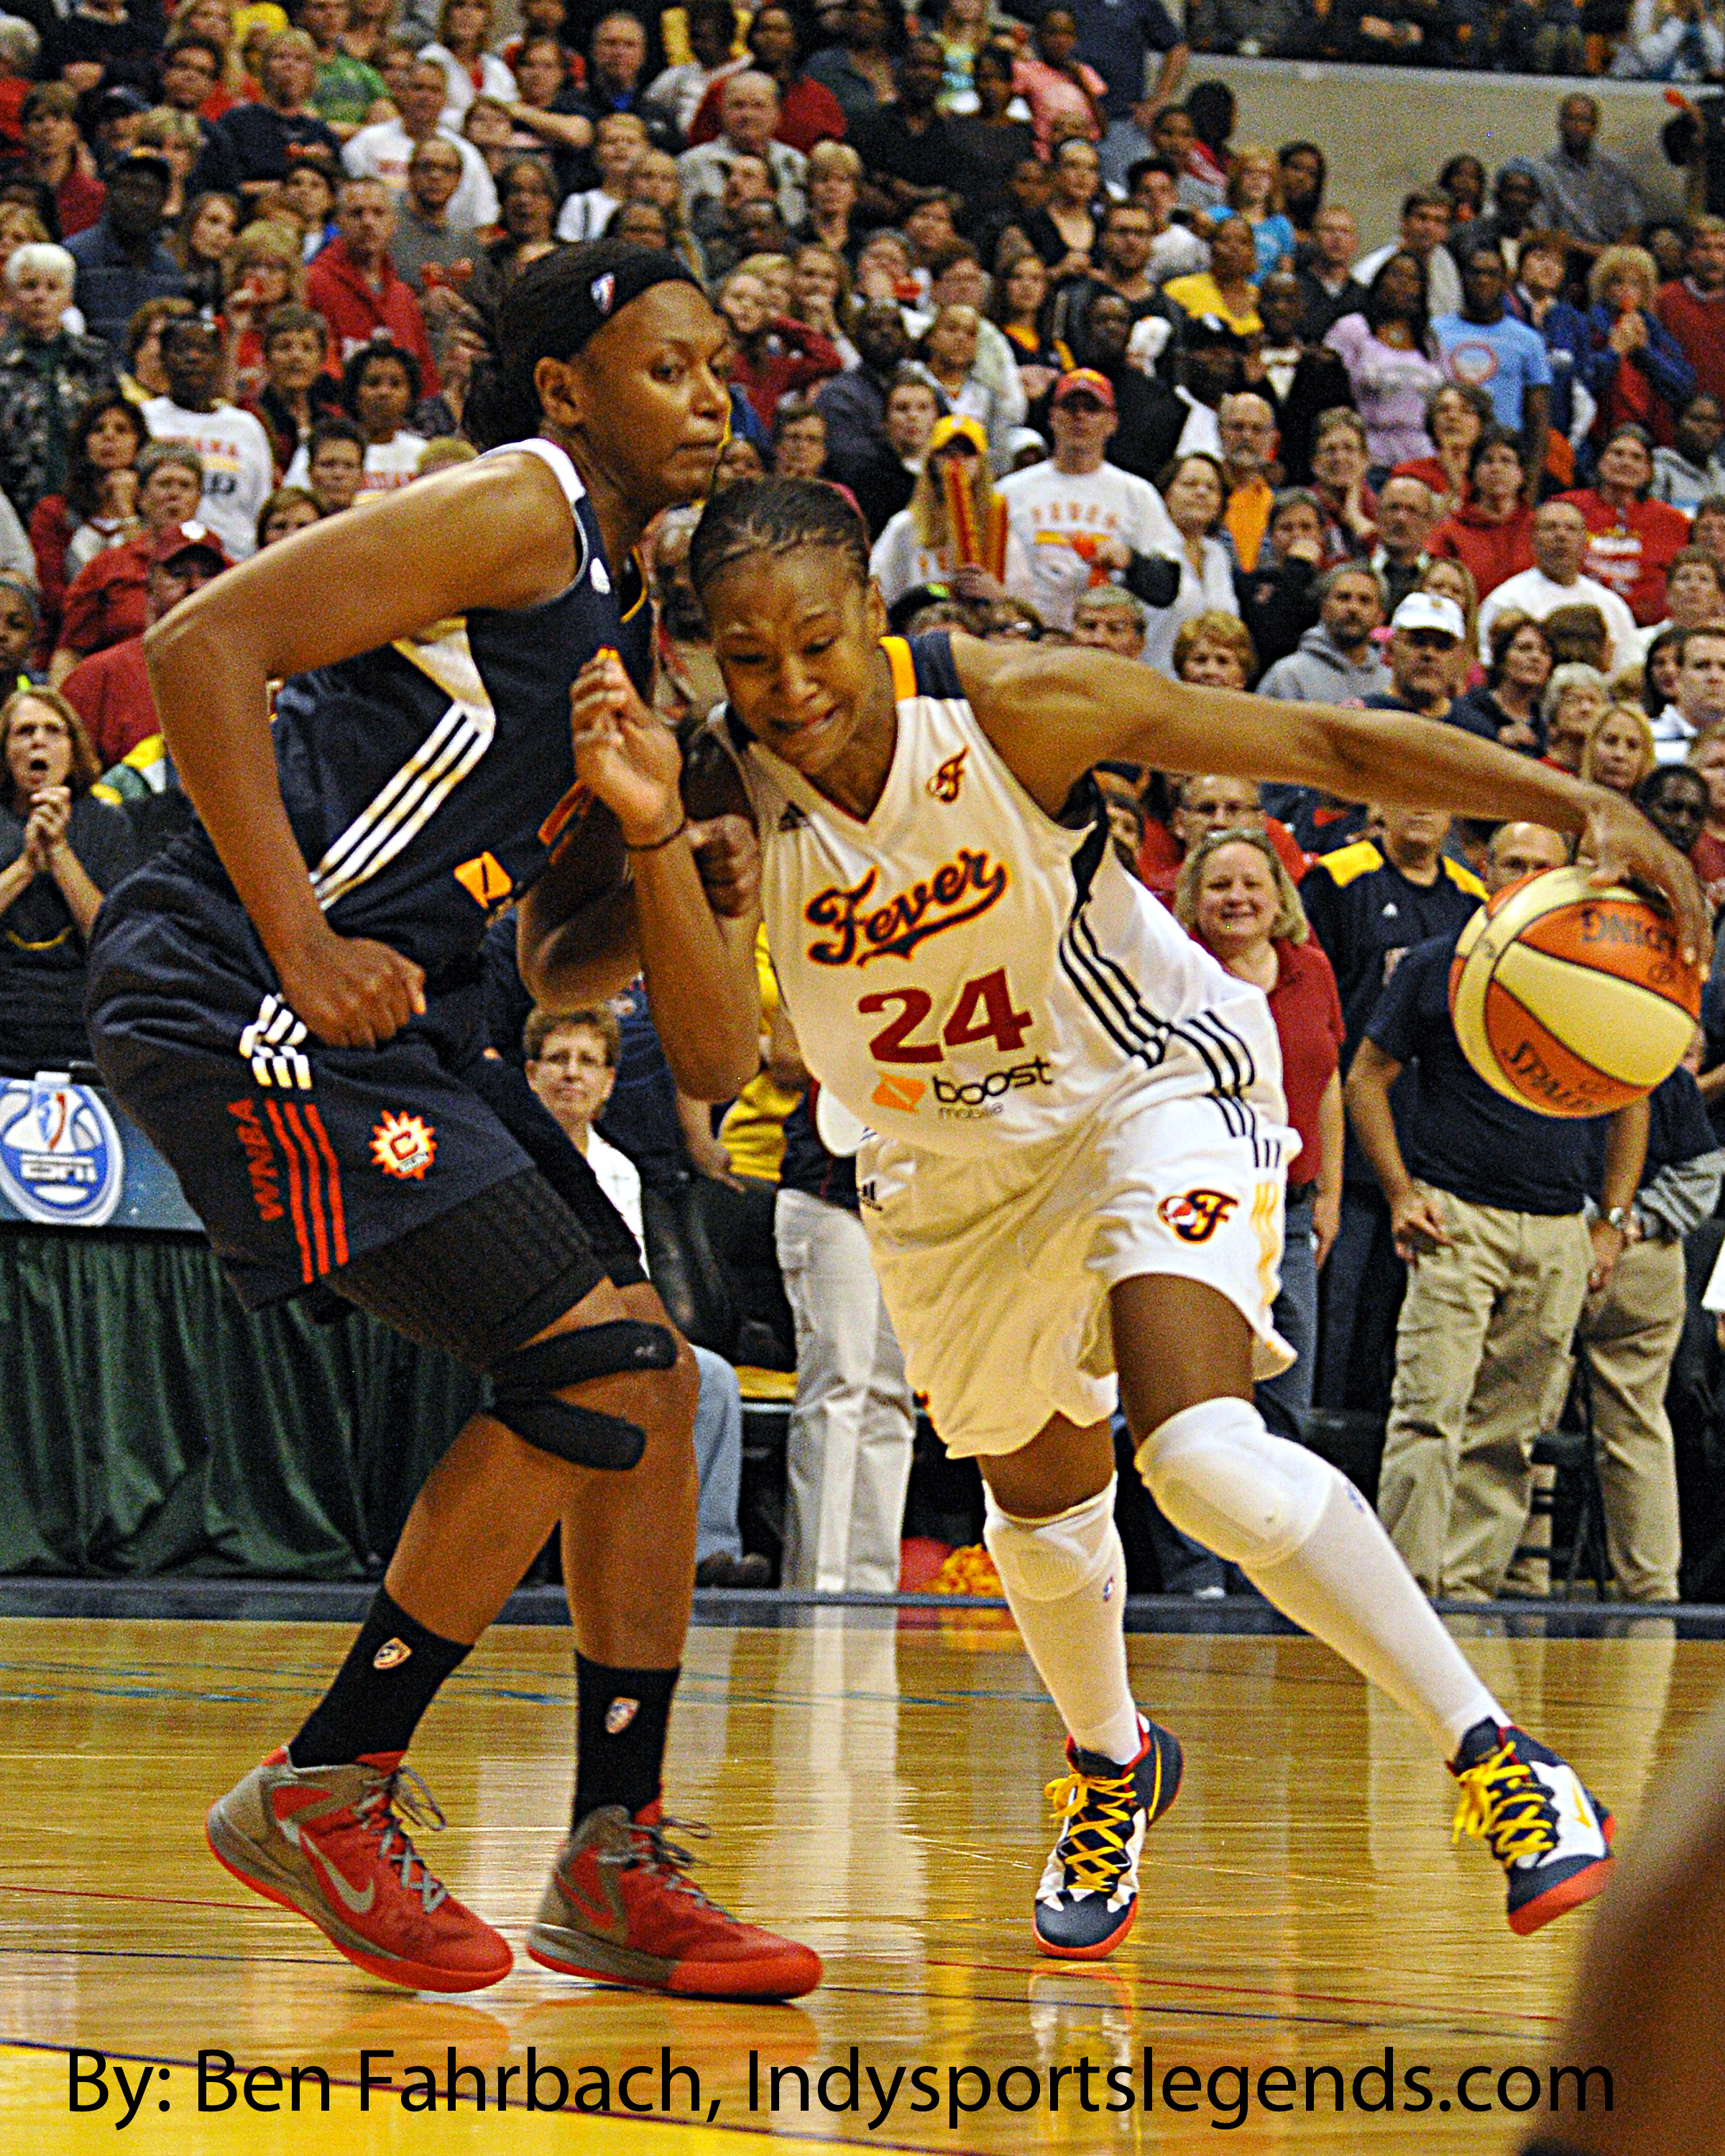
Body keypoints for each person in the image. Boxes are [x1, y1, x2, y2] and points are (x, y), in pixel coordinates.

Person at [559, 471, 1702, 1966]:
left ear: (872, 612)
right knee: (1037, 1514)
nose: (790, 687)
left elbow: (1326, 741)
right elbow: (708, 1064)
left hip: (1145, 1090)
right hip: (939, 1172)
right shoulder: (712, 788)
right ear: (703, 648)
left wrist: (1578, 798)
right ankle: (1112, 1762)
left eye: (819, 643)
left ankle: (1500, 1758)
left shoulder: (1021, 705)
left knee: (1204, 1454)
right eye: (750, 656)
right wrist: (660, 854)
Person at [82, 241, 820, 2001]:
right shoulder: (519, 504)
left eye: (720, 364)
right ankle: (329, 1781)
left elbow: (570, 961)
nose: (708, 394)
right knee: (580, 1366)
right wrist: (302, 934)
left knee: (638, 1375)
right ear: (567, 389)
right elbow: (202, 642)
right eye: (666, 365)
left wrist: (660, 845)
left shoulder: (619, 631)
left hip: (397, 1015)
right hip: (243, 988)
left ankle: (614, 1855)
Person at [1351, 819, 1649, 1603]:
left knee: (1508, 1438)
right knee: (1428, 1414)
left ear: (1567, 878)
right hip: (1455, 1217)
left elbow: (1633, 1103)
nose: (1524, 873)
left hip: (1557, 1227)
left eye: (1540, 864)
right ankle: (1405, 1600)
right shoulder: (1440, 963)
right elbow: (1365, 1078)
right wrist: (1400, 1192)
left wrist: (1610, 1222)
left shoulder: (1598, 974)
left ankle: (1471, 1603)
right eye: (1511, 862)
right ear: (1485, 870)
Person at [522, 1004, 768, 1591]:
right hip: (528, 1331)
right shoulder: (507, 1161)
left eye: (588, 1062)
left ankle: (705, 1553)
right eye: (557, 1060)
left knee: (708, 1377)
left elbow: (632, 1279)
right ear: (530, 1075)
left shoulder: (618, 1170)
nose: (572, 1075)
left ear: (610, 1083)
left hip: (608, 1328)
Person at [1174, 826, 1342, 1431]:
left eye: (1253, 883)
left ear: (1280, 897)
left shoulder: (1313, 970)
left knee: (1287, 1404)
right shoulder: (1174, 975)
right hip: (1198, 1215)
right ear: (1194, 900)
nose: (1237, 898)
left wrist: (1330, 1196)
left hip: (1291, 1219)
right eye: (1219, 885)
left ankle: (1274, 1529)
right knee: (1202, 1401)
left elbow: (1328, 1084)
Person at [0, 685, 138, 1069]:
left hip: (80, 1027)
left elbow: (113, 939)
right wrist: (27, 866)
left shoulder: (107, 824)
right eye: (24, 732)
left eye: (53, 731)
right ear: (6, 750)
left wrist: (58, 851)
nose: (38, 742)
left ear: (73, 748)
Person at [995, 368, 1181, 633]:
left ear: (1112, 421)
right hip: (1030, 639)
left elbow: (1167, 587)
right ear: (1052, 416)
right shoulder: (1011, 491)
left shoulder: (1137, 494)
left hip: (1103, 642)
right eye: (1070, 407)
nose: (1080, 417)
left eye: (1092, 408)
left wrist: (1129, 559)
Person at [62, 520, 231, 769]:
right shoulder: (97, 677)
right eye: (177, 574)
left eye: (207, 574)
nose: (194, 586)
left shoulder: (250, 672)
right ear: (150, 587)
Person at [139, 312, 274, 561]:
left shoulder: (247, 427)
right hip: (162, 561)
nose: (193, 357)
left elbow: (262, 507)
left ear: (220, 359)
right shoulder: (145, 419)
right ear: (163, 359)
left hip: (236, 560)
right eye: (181, 350)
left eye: (203, 350)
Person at [869, 413, 1034, 613]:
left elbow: (1026, 603)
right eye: (947, 452)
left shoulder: (998, 528)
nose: (958, 460)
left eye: (968, 452)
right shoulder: (905, 526)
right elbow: (878, 586)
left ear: (981, 463)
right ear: (932, 461)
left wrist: (996, 594)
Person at [0, 244, 116, 525]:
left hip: (86, 507)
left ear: (68, 298)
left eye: (52, 287)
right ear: (11, 296)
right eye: (30, 286)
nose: (40, 297)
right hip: (10, 511)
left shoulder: (95, 357)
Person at [1478, 497, 1639, 673]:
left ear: (1584, 541)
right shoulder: (1505, 600)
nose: (1561, 536)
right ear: (1533, 539)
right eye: (1550, 527)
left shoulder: (1611, 605)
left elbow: (1628, 668)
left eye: (1571, 528)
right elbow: (1488, 665)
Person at [305, 176, 438, 390]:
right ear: (338, 221)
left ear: (394, 223)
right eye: (356, 213)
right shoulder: (313, 283)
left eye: (378, 213)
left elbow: (425, 374)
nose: (368, 223)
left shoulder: (403, 296)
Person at [1431, 247, 1551, 476]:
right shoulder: (1435, 332)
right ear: (1462, 278)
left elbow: (1538, 416)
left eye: (1492, 273)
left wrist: (1532, 476)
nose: (1483, 280)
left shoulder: (1528, 340)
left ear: (1506, 280)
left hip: (1501, 457)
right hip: (1443, 452)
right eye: (1475, 273)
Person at [1323, 252, 1445, 476]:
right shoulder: (1353, 329)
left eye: (1414, 279)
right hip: (1369, 459)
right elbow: (1328, 390)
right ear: (1379, 281)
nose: (1404, 285)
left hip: (1423, 461)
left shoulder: (1429, 340)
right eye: (1396, 275)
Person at [1561, 425, 1691, 631]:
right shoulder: (1566, 508)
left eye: (1637, 457)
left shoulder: (1672, 521)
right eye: (1617, 453)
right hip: (1576, 625)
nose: (1626, 462)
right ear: (1600, 462)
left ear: (1649, 471)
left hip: (1649, 630)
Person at [63, 152, 185, 354]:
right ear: (109, 193)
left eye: (150, 191)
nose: (139, 201)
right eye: (130, 188)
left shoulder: (169, 272)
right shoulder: (76, 257)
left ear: (165, 201)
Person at [1585, 246, 1697, 453]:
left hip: (1650, 435)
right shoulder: (1589, 325)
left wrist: (1644, 352)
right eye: (1618, 281)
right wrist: (1614, 352)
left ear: (1645, 289)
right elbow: (1586, 383)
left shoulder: (1655, 330)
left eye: (1635, 283)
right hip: (1598, 436)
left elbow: (1684, 386)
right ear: (1604, 286)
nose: (1626, 289)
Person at [1144, 449, 1238, 676]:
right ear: (1165, 494)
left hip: (1208, 687)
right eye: (1189, 484)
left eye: (1212, 488)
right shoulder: (1148, 550)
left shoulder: (1219, 556)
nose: (1201, 492)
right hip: (1153, 680)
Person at [1526, 93, 1646, 254]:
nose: (1577, 127)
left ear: (1595, 126)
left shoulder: (1616, 168)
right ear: (1560, 124)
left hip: (1613, 255)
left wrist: (1611, 256)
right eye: (1571, 119)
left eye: (1584, 120)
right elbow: (1545, 232)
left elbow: (1634, 226)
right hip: (1566, 255)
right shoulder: (1543, 170)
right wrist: (1590, 251)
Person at [1256, 560, 1389, 704]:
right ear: (1324, 607)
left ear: (1380, 616)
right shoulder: (1287, 675)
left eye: (1365, 600)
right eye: (1343, 598)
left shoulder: (1389, 683)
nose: (1353, 608)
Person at [1430, 430, 1536, 602]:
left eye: (1506, 461)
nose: (1496, 468)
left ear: (1522, 474)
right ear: (1474, 472)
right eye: (1487, 461)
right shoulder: (1451, 532)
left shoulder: (1539, 529)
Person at [1451, 612, 1553, 754]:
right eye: (1524, 648)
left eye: (1545, 652)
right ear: (1502, 658)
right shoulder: (1471, 707)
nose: (1536, 657)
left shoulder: (1546, 725)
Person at [1655, 215, 1725, 413]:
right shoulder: (1666, 298)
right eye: (1704, 248)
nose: (1714, 257)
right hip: (1677, 414)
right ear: (1689, 255)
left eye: (1722, 248)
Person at [1652, 623, 1725, 763]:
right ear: (1678, 676)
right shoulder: (1646, 738)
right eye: (1702, 666)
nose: (1715, 677)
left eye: (1724, 667)